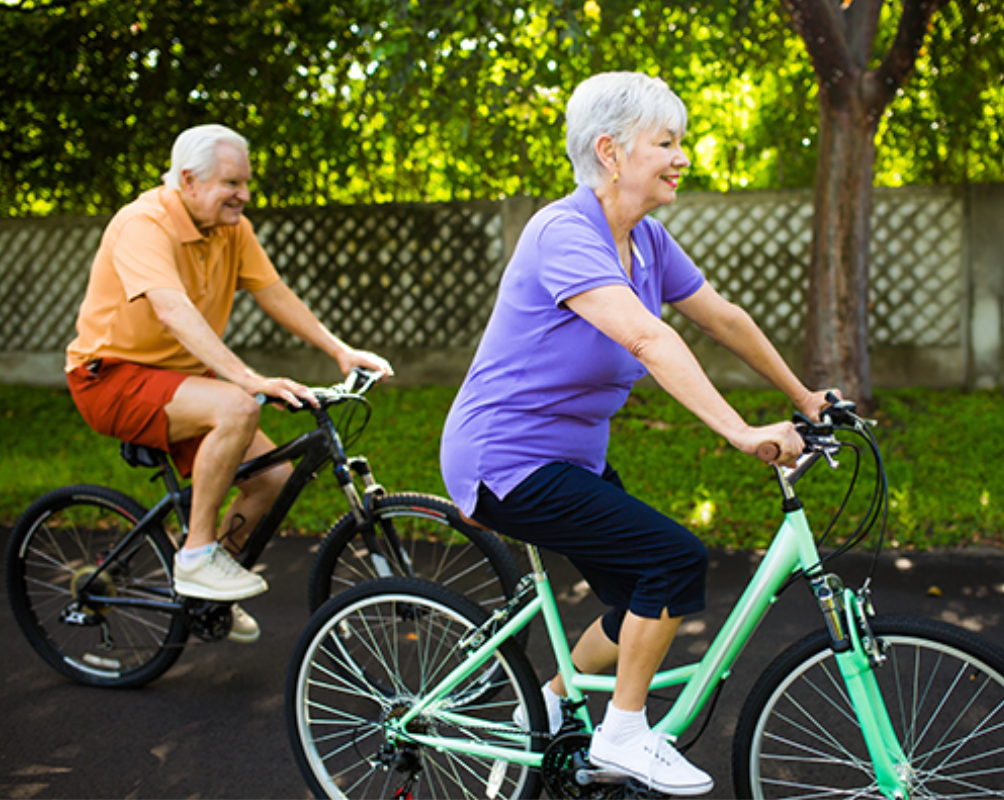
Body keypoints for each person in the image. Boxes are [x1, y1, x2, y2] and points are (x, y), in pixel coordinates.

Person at [440, 72, 836, 796]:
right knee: (675, 560)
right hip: (505, 458)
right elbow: (650, 340)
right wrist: (741, 431)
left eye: (679, 141)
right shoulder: (562, 231)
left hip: (570, 460)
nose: (681, 156)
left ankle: (557, 700)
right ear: (611, 152)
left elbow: (725, 319)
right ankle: (623, 732)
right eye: (666, 142)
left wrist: (804, 397)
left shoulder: (647, 239)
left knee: (635, 599)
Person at [65, 124, 392, 644]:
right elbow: (170, 309)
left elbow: (274, 292)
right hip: (109, 378)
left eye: (246, 182)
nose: (243, 194)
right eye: (231, 183)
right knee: (238, 406)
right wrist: (243, 378)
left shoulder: (230, 229)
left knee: (274, 478)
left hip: (177, 380)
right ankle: (196, 556)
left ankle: (204, 590)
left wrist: (339, 350)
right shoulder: (144, 223)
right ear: (189, 181)